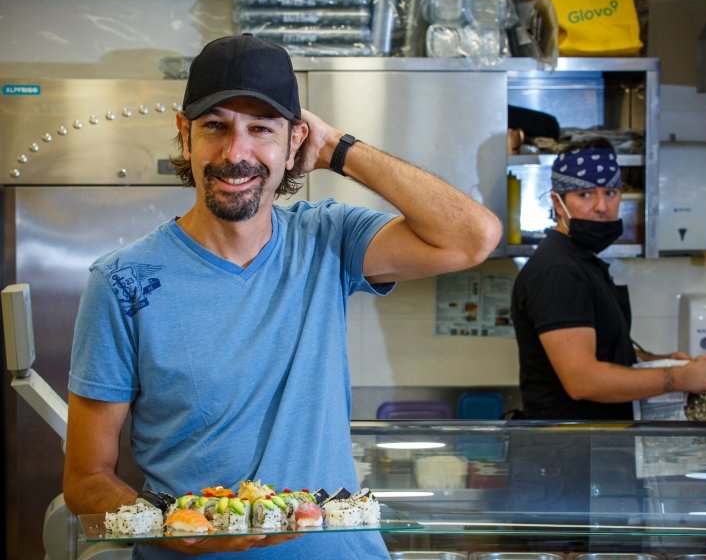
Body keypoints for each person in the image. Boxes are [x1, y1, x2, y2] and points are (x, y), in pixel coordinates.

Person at [63, 34, 502, 558]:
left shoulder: (330, 240)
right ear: (184, 135)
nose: (235, 153)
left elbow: (473, 238)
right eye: (215, 127)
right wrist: (178, 531)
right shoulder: (122, 282)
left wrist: (339, 149)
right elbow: (87, 479)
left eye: (261, 130)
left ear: (296, 142)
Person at [510, 137, 706, 420]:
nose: (602, 207)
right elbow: (583, 381)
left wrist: (659, 363)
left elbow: (604, 352)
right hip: (569, 452)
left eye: (610, 193)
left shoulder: (583, 262)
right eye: (585, 194)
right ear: (557, 202)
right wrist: (680, 379)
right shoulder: (559, 271)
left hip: (596, 448)